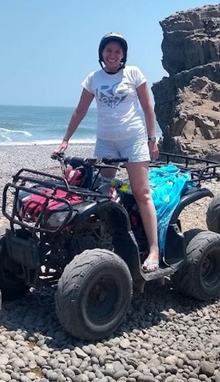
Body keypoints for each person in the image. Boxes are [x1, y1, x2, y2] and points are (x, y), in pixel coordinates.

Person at [54, 32, 161, 271]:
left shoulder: (133, 73)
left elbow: (147, 107)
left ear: (123, 55)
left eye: (117, 51)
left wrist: (151, 139)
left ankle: (154, 249)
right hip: (105, 143)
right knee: (100, 194)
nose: (112, 55)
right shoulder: (93, 78)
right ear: (101, 53)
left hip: (133, 140)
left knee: (142, 193)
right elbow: (79, 111)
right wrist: (65, 140)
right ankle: (104, 242)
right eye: (108, 50)